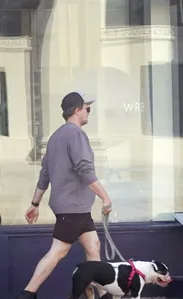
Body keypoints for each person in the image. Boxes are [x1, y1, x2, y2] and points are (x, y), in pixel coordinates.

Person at [17, 92, 112, 299]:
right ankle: (27, 293)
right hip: (73, 206)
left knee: (93, 246)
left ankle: (102, 295)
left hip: (76, 207)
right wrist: (105, 197)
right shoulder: (76, 135)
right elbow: (84, 169)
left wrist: (35, 203)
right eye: (87, 109)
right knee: (58, 251)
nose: (89, 113)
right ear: (77, 110)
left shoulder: (55, 137)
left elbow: (45, 173)